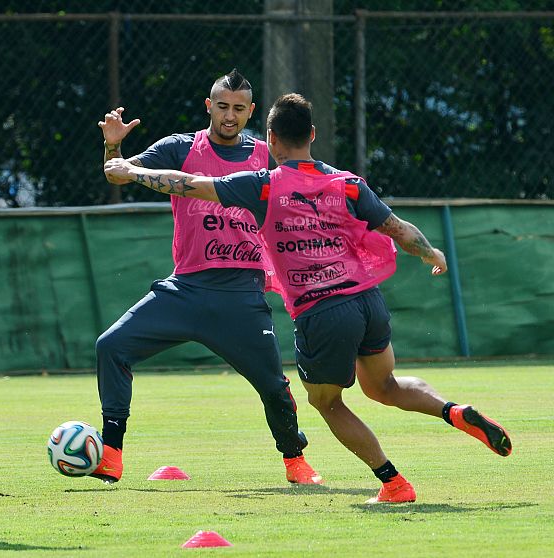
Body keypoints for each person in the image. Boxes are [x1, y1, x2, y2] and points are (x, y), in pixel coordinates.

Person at [104, 92, 512, 503]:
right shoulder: (346, 182)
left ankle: (393, 483)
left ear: (271, 140)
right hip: (368, 301)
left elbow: (189, 185)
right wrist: (431, 253)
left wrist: (131, 171)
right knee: (384, 385)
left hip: (323, 311)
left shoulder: (263, 187)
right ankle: (453, 411)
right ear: (312, 135)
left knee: (327, 402)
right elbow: (399, 229)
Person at [92, 69, 321, 485]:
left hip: (242, 295)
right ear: (208, 106)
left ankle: (295, 461)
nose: (229, 116)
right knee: (111, 346)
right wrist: (113, 144)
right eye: (222, 106)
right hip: (187, 289)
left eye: (238, 109)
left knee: (273, 385)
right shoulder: (180, 147)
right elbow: (116, 173)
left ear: (251, 111)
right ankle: (111, 452)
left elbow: (304, 190)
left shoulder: (265, 156)